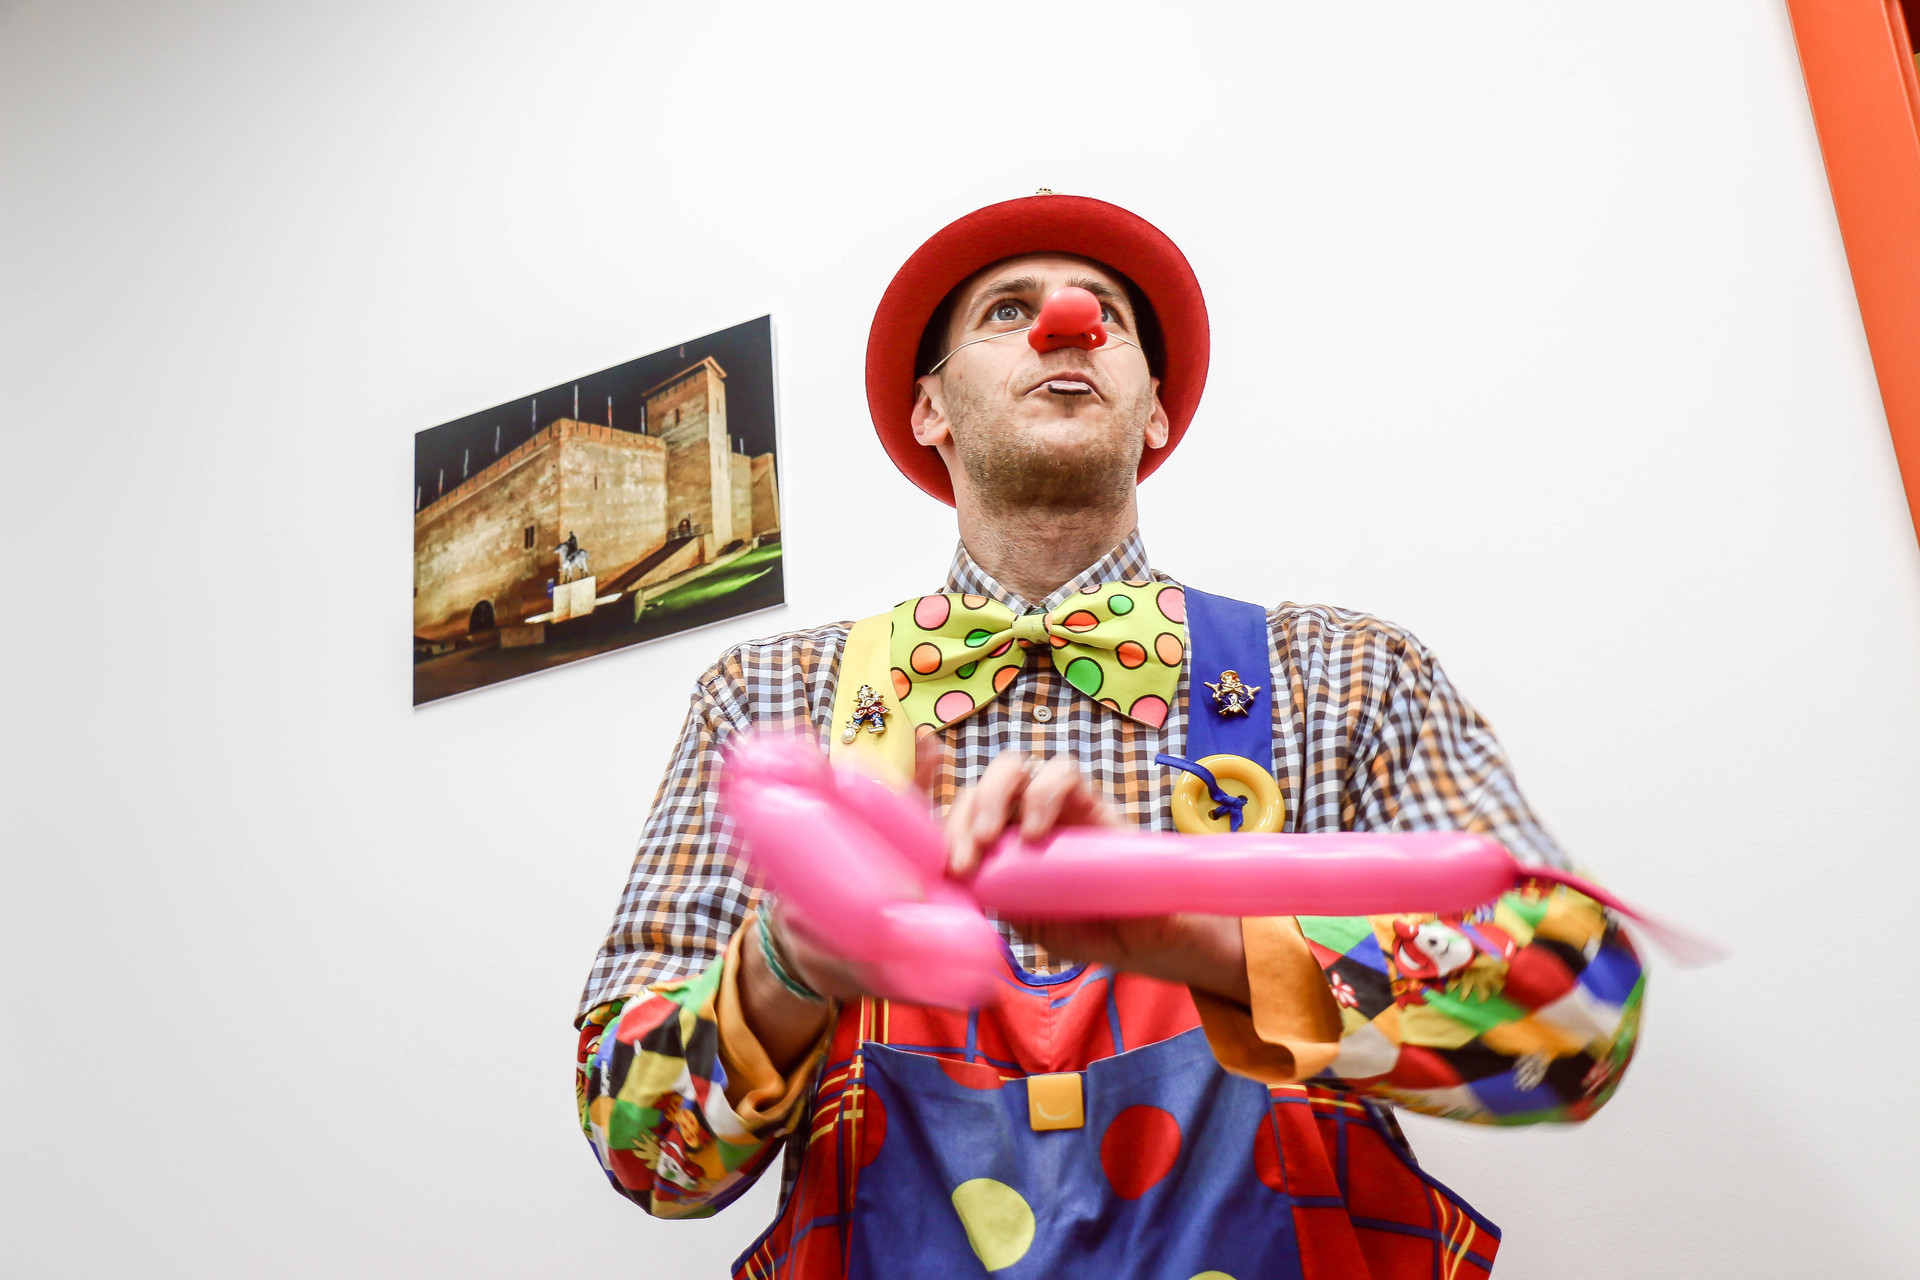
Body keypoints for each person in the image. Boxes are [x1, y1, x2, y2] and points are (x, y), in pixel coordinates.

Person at [575, 193, 1645, 1279]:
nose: (1067, 323)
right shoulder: (768, 703)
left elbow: (1576, 1018)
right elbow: (638, 1145)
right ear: (930, 410)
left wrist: (1206, 938)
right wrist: (789, 963)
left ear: (1157, 413)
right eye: (1006, 309)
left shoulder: (1347, 676)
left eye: (1108, 316)